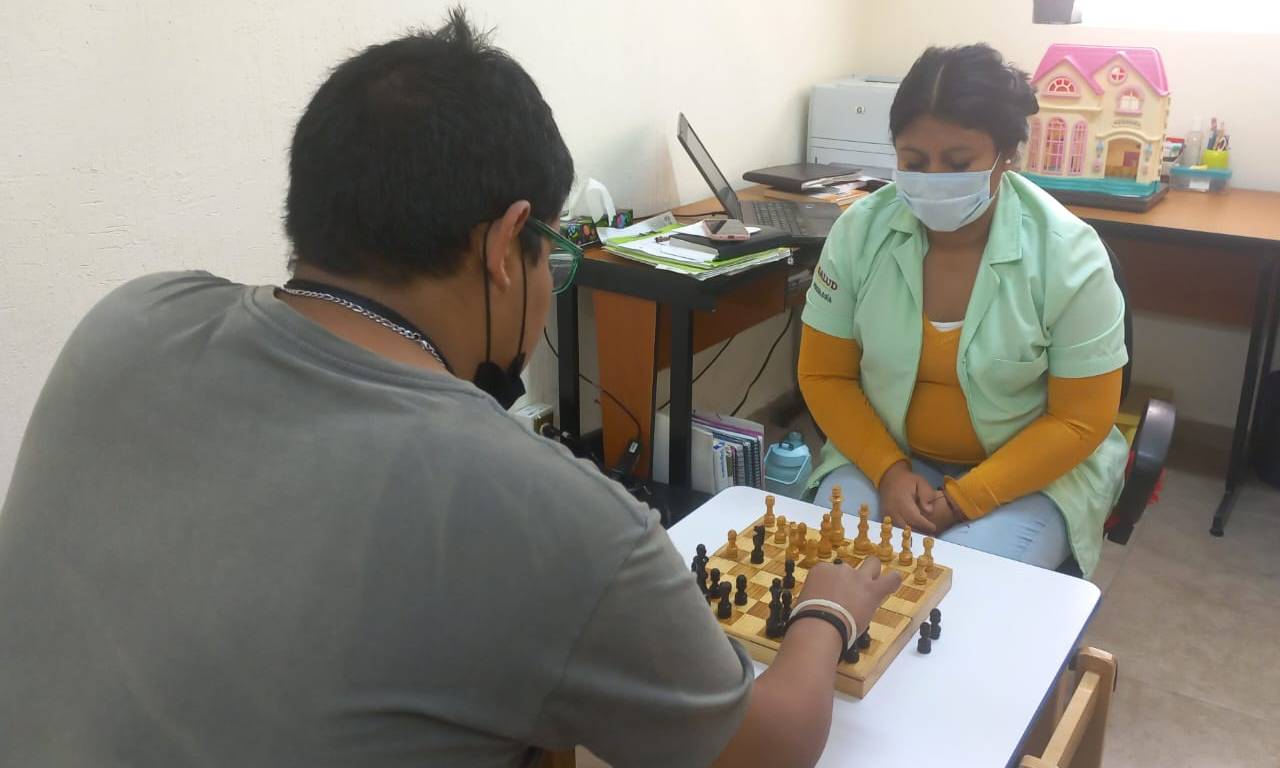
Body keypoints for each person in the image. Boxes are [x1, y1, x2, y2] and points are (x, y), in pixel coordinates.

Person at [0, 11, 901, 768]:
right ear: (506, 245)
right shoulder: (552, 514)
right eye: (553, 251)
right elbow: (768, 749)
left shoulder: (132, 317)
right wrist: (826, 608)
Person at [799, 44, 1128, 577]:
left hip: (1029, 475)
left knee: (961, 588)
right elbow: (824, 374)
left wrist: (964, 498)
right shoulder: (859, 232)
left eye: (958, 164)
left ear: (1008, 155)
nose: (933, 179)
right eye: (913, 162)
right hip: (888, 454)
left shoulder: (1069, 254)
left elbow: (1079, 418)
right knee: (832, 570)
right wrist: (888, 470)